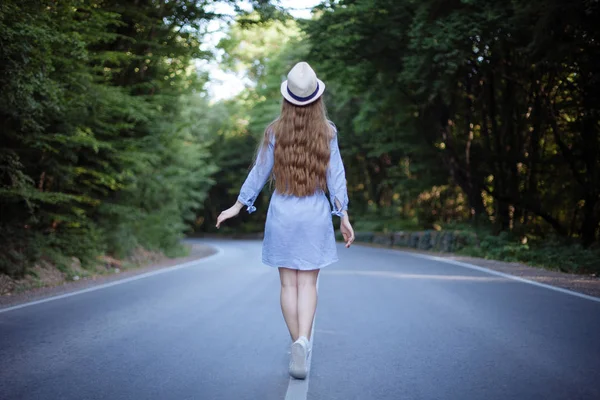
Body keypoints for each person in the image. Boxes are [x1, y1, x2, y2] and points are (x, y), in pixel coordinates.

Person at [215, 61, 355, 380]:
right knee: (308, 283)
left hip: (282, 214)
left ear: (287, 98)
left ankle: (297, 342)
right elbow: (337, 177)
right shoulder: (328, 132)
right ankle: (304, 342)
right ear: (316, 97)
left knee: (287, 284)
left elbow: (259, 172)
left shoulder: (274, 131)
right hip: (315, 214)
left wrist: (238, 205)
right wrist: (343, 214)